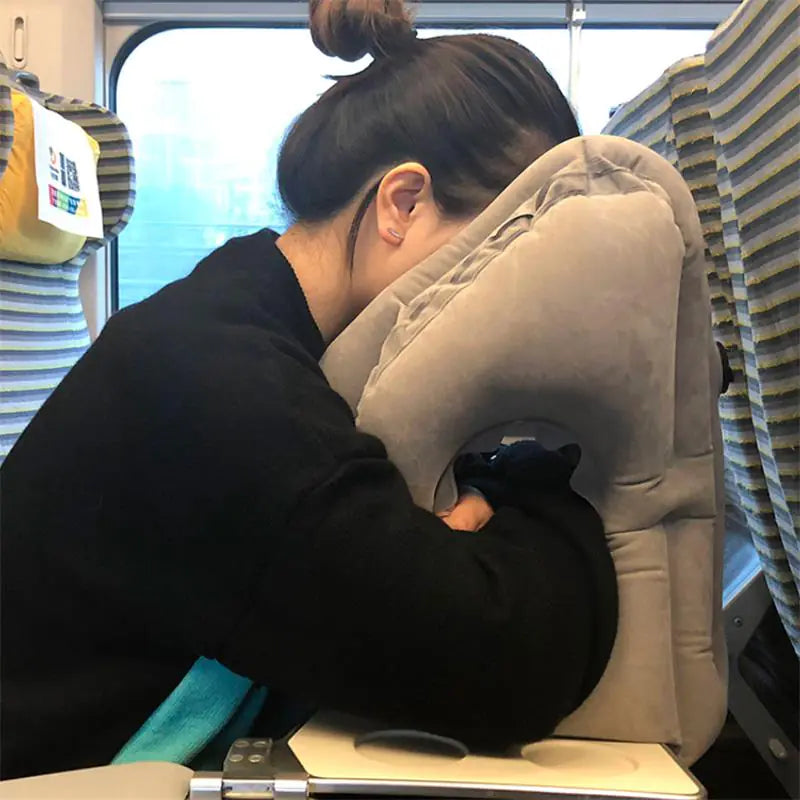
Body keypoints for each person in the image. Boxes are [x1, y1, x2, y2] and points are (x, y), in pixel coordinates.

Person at [0, 0, 617, 780]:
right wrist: (536, 492)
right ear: (403, 204)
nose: (513, 297)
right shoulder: (219, 383)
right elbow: (506, 659)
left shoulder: (253, 324)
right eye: (505, 253)